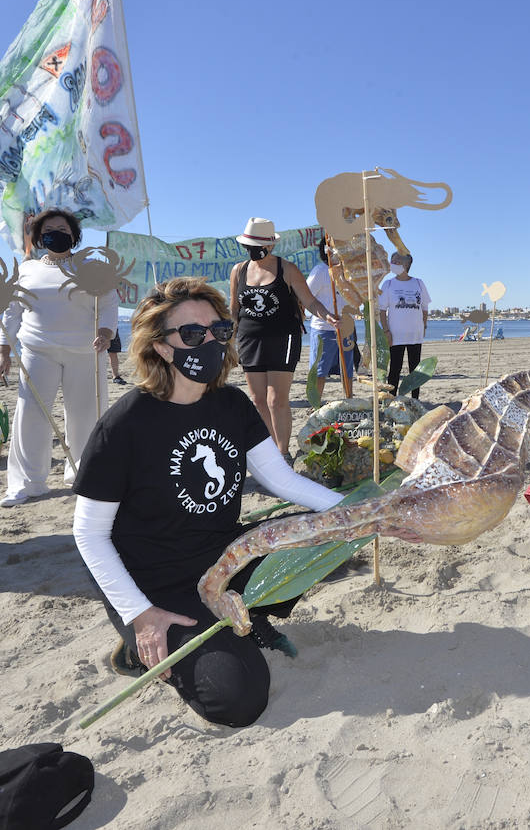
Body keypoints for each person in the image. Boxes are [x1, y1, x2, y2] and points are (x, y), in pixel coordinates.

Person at [72, 277, 348, 726]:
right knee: (237, 700)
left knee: (326, 539)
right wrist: (140, 615)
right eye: (192, 334)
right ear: (162, 348)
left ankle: (249, 614)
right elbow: (89, 533)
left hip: (222, 560)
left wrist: (356, 513)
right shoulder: (124, 426)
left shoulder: (233, 405)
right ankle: (137, 643)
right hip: (154, 580)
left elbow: (281, 478)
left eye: (219, 331)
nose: (210, 343)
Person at [0, 209, 118, 508]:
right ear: (39, 237)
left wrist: (106, 333)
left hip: (87, 350)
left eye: (62, 228)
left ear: (74, 235)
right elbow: (12, 310)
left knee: (85, 416)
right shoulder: (27, 270)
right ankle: (28, 483)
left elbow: (110, 302)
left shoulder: (91, 268)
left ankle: (81, 474)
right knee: (31, 414)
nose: (56, 232)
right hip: (38, 350)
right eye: (48, 229)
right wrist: (3, 349)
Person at [230, 218, 335, 456]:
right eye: (248, 245)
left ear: (270, 245)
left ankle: (283, 452)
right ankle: (271, 452)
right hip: (249, 339)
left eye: (256, 245)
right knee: (258, 401)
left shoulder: (286, 269)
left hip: (283, 339)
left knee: (276, 400)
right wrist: (229, 341)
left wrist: (328, 316)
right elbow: (234, 309)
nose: (251, 250)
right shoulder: (238, 270)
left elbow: (310, 301)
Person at [306, 236, 355, 402]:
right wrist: (327, 316)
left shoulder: (347, 272)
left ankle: (348, 400)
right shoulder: (320, 271)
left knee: (347, 370)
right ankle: (315, 404)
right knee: (320, 370)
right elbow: (306, 298)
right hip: (323, 330)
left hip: (346, 328)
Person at [378, 251, 430, 399]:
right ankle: (391, 400)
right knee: (395, 369)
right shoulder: (388, 284)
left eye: (396, 261)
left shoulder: (419, 283)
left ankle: (415, 401)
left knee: (416, 371)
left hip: (415, 334)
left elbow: (424, 308)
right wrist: (386, 331)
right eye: (391, 261)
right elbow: (382, 311)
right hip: (395, 335)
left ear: (406, 264)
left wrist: (424, 326)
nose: (392, 264)